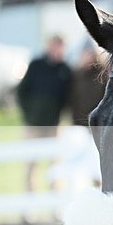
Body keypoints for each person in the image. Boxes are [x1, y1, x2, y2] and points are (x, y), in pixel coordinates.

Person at [16, 35, 72, 192]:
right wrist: (29, 113)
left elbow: (67, 98)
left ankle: (56, 206)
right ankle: (29, 208)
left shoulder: (65, 70)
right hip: (33, 125)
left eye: (61, 45)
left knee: (55, 166)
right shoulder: (36, 65)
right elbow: (21, 92)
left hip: (54, 126)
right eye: (55, 45)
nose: (58, 49)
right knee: (30, 166)